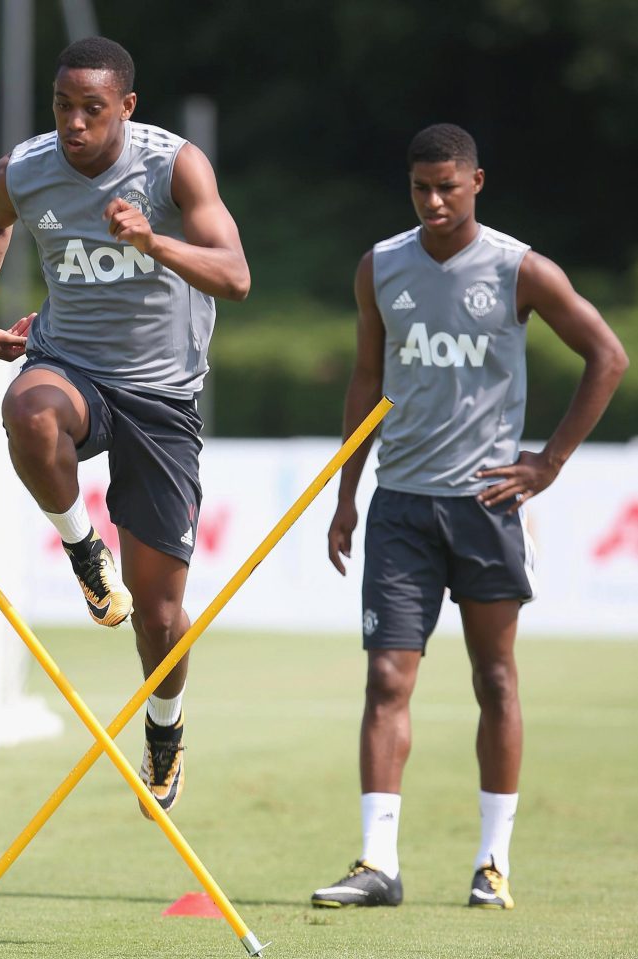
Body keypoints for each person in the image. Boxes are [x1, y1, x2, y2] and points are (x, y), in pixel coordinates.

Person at [310, 123, 628, 910]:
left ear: (477, 181)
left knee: (493, 677)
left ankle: (492, 863)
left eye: (447, 186)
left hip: (486, 507)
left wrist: (546, 463)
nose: (433, 201)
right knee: (386, 677)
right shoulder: (381, 266)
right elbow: (364, 378)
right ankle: (377, 863)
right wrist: (346, 495)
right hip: (399, 507)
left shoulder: (518, 268)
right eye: (420, 187)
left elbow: (607, 356)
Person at [0, 36, 250, 818]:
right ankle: (85, 551)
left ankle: (164, 728)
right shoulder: (25, 168)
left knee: (159, 613)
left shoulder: (173, 165)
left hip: (162, 395)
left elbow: (236, 274)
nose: (75, 124)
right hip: (73, 366)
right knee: (26, 410)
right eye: (63, 106)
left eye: (93, 109)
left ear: (126, 106)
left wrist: (152, 240)